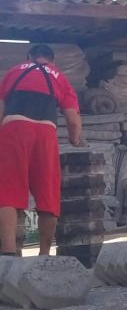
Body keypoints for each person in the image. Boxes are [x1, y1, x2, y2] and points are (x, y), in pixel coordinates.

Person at [0, 44, 82, 256]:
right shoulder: (59, 77)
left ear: (29, 57)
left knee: (8, 190)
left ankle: (8, 252)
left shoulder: (14, 71)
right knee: (47, 190)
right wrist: (75, 139)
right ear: (52, 61)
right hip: (45, 132)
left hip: (13, 128)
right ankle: (44, 254)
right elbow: (73, 119)